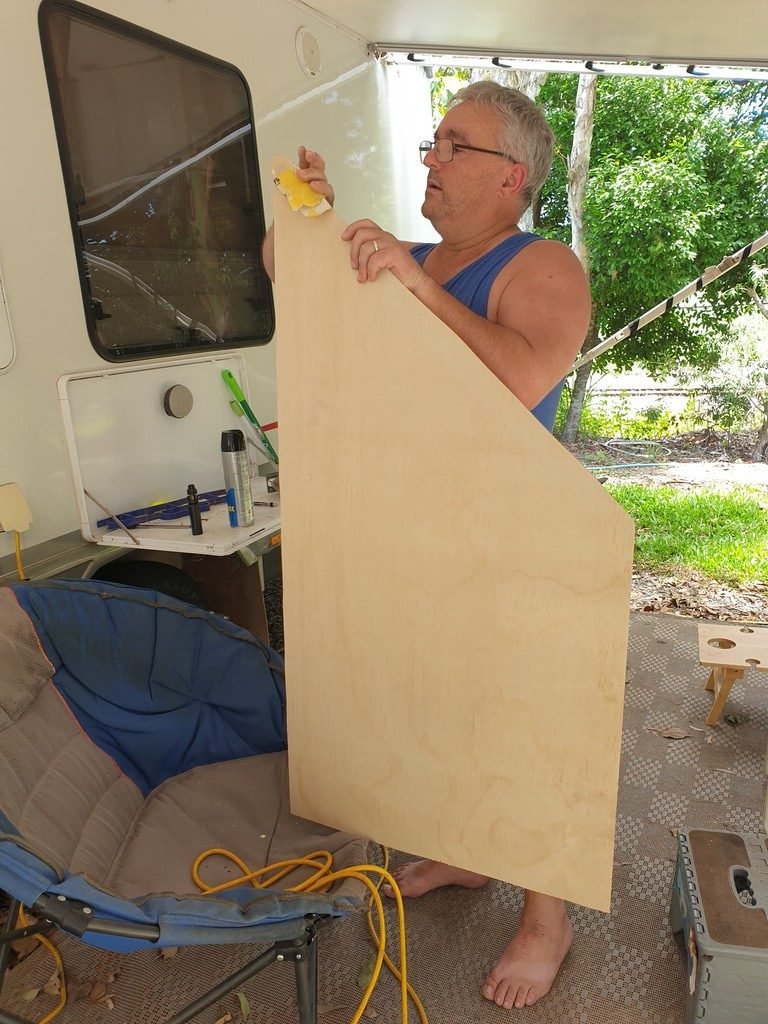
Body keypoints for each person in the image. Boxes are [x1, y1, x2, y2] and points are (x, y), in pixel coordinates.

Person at [263, 81, 591, 1011]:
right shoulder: (410, 255)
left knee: (528, 725)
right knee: (441, 702)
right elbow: (287, 263)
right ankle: (462, 849)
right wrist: (311, 210)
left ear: (510, 175)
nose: (431, 161)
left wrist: (416, 286)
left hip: (516, 536)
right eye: (432, 143)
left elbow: (526, 371)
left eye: (454, 146)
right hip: (415, 528)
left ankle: (546, 918)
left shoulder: (543, 267)